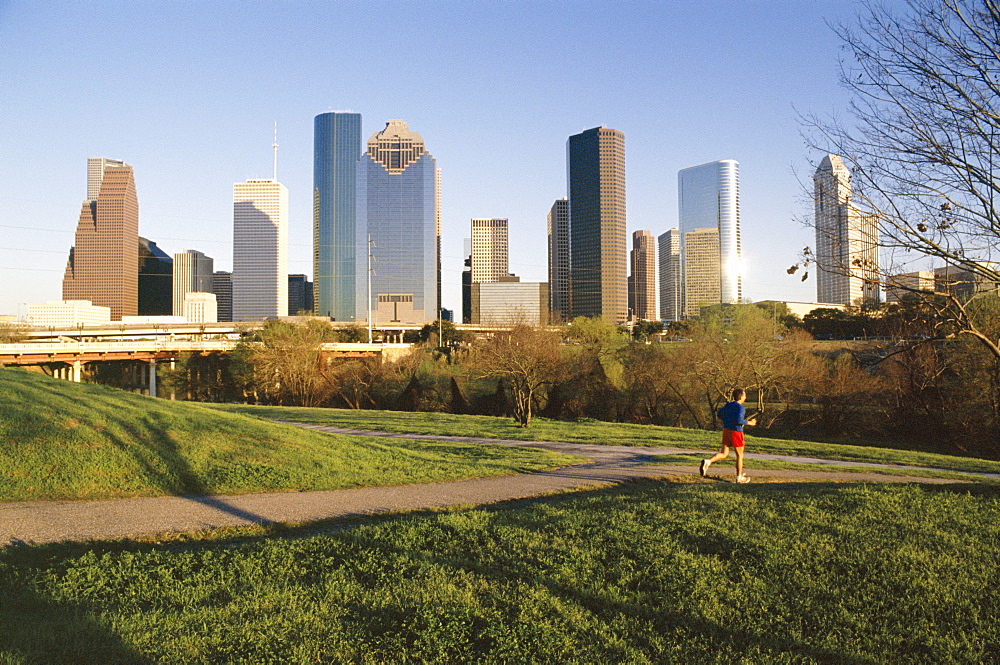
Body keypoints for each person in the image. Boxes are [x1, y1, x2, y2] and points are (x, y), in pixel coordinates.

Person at [700, 388, 757, 483]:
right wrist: (750, 423)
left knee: (724, 453)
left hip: (726, 430)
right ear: (741, 396)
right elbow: (738, 420)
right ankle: (739, 478)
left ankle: (708, 462)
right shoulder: (740, 408)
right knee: (739, 455)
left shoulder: (728, 405)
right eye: (744, 395)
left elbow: (719, 414)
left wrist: (728, 419)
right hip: (736, 432)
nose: (745, 397)